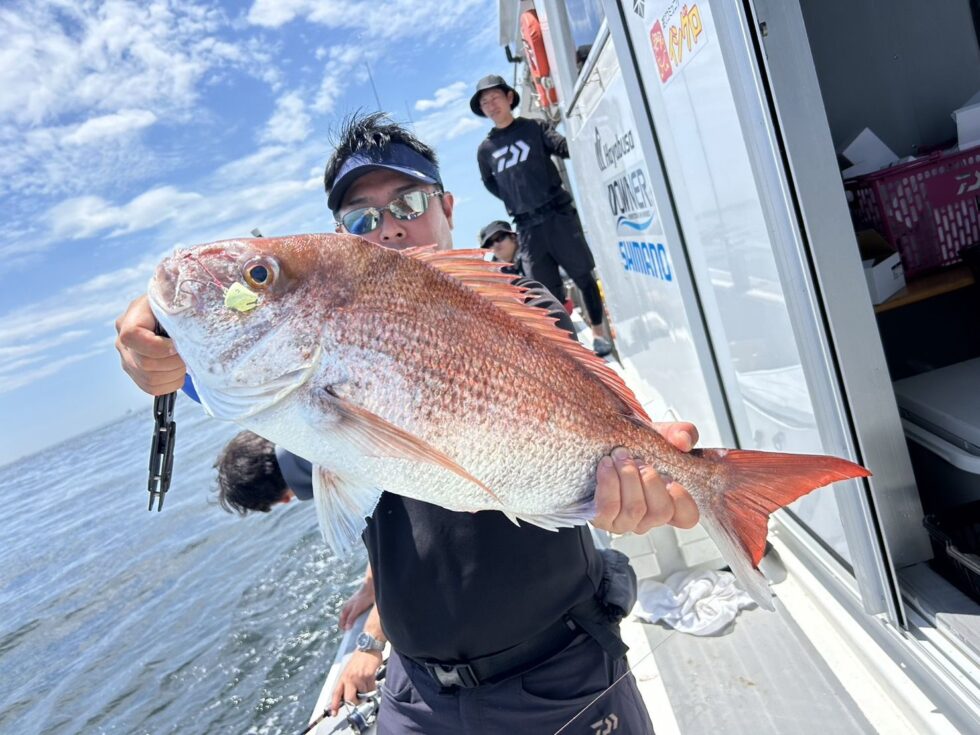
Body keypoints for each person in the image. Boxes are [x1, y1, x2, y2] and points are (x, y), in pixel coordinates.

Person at [115, 111, 701, 734]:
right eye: (362, 220)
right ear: (341, 236)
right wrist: (145, 325)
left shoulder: (527, 305)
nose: (389, 227)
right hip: (417, 698)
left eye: (410, 201)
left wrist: (654, 490)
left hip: (562, 675)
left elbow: (608, 438)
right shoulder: (309, 359)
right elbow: (211, 356)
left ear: (448, 206)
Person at [472, 74, 614, 357]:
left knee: (583, 276)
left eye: (495, 98)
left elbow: (563, 147)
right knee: (545, 295)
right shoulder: (485, 150)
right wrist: (518, 199)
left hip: (558, 215)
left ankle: (598, 335)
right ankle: (569, 352)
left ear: (509, 98)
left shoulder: (535, 128)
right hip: (526, 227)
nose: (491, 105)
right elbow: (490, 184)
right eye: (485, 102)